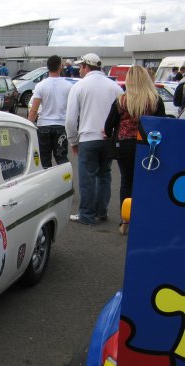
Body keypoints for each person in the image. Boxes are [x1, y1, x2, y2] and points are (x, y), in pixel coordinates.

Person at [104, 66, 165, 235]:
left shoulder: (121, 100)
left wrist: (109, 134)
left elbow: (109, 125)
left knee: (126, 182)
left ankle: (125, 220)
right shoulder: (155, 101)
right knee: (145, 182)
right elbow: (161, 126)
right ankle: (143, 218)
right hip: (147, 146)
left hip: (124, 146)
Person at [65, 53, 123, 226]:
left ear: (86, 67)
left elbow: (70, 119)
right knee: (104, 174)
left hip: (88, 138)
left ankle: (86, 215)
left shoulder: (79, 86)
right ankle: (101, 211)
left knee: (87, 178)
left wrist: (73, 141)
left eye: (80, 67)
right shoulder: (115, 88)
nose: (79, 70)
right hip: (109, 138)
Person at [27, 55, 73, 168]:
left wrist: (28, 125)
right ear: (60, 67)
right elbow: (72, 109)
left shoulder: (40, 85)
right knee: (61, 158)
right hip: (61, 126)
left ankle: (48, 183)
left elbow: (34, 110)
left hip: (44, 126)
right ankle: (66, 183)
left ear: (48, 67)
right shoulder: (69, 86)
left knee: (44, 159)